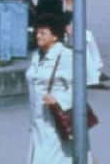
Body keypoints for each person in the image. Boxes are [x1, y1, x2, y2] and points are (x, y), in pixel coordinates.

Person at [34, 0, 107, 85]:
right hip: (51, 34)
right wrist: (69, 4)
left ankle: (97, 69)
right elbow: (59, 20)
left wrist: (66, 24)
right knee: (80, 42)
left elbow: (59, 19)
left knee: (88, 35)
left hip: (55, 30)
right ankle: (92, 78)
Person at [25, 16, 80, 163]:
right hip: (37, 122)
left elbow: (78, 88)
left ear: (55, 36)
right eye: (37, 32)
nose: (38, 36)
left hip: (57, 120)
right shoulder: (36, 55)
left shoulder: (65, 56)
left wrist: (59, 99)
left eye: (43, 33)